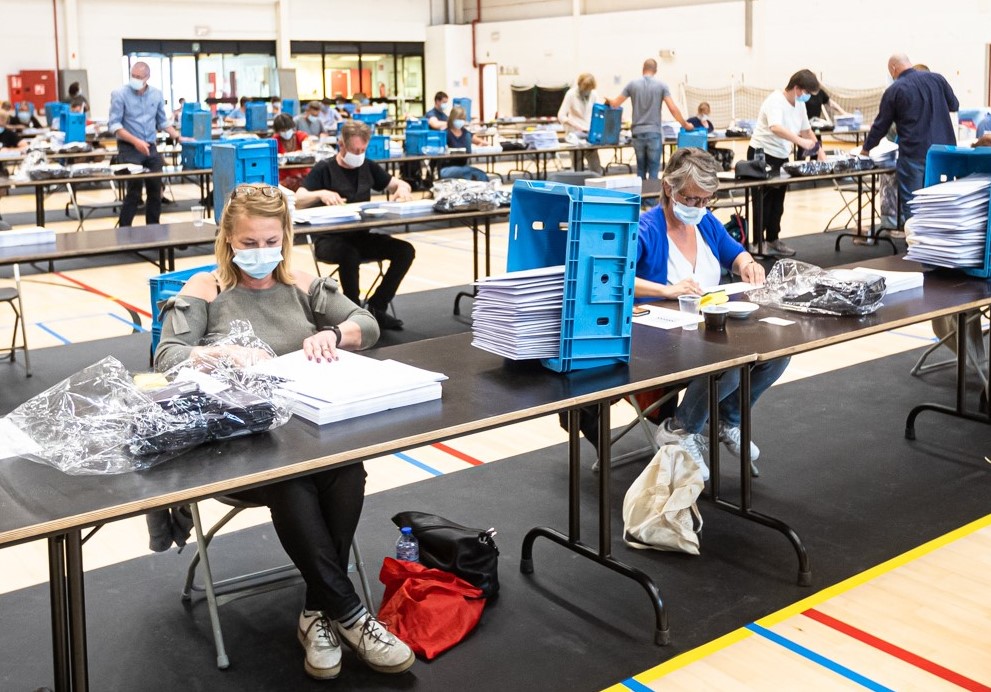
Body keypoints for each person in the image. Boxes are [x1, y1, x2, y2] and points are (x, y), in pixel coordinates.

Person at [154, 183, 415, 680]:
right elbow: (166, 359)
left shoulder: (301, 285)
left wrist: (333, 334)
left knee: (347, 471)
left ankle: (319, 613)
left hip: (309, 431)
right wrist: (223, 353)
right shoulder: (205, 290)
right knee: (294, 481)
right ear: (227, 239)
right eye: (248, 243)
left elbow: (368, 325)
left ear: (285, 237)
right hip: (241, 444)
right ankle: (353, 616)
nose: (259, 253)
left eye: (269, 242)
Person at [635, 148, 786, 479]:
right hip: (658, 337)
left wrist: (748, 264)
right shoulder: (646, 228)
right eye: (690, 199)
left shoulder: (706, 223)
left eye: (705, 201)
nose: (697, 208)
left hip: (704, 329)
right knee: (728, 365)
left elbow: (736, 254)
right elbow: (615, 279)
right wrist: (665, 290)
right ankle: (678, 430)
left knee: (779, 352)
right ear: (668, 188)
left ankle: (726, 418)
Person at [295, 120, 415, 330]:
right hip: (329, 239)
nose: (359, 154)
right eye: (354, 149)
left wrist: (403, 188)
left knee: (405, 250)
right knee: (349, 255)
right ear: (341, 144)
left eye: (363, 149)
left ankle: (377, 307)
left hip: (361, 236)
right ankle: (352, 312)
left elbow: (395, 183)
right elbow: (299, 198)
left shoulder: (367, 166)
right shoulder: (325, 168)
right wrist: (321, 193)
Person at [861, 53, 958, 227]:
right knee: (941, 203)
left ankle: (916, 247)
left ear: (893, 69)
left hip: (915, 154)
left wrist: (866, 150)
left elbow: (881, 125)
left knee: (913, 205)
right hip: (946, 154)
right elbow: (954, 105)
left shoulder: (895, 90)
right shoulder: (938, 79)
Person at [747, 68, 826, 257]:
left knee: (778, 201)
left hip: (781, 156)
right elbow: (776, 127)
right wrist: (799, 142)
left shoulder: (799, 105)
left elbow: (806, 131)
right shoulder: (775, 101)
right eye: (806, 93)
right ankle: (758, 243)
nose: (807, 97)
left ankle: (773, 239)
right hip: (762, 154)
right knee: (763, 201)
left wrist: (819, 150)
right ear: (797, 88)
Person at [108, 61, 185, 227]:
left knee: (156, 190)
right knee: (134, 192)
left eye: (138, 77)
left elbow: (162, 122)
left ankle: (153, 229)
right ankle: (124, 230)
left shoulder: (156, 95)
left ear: (147, 77)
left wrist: (178, 137)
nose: (135, 79)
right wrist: (135, 142)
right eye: (133, 76)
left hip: (150, 147)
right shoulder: (120, 94)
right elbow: (114, 125)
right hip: (129, 148)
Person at [607, 59, 694, 187]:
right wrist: (685, 124)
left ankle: (640, 200)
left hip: (637, 132)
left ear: (643, 68)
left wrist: (606, 99)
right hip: (654, 132)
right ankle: (652, 202)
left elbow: (615, 103)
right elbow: (673, 108)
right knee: (654, 171)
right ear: (656, 70)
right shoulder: (661, 86)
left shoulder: (632, 84)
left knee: (640, 169)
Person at [557, 72, 603, 175]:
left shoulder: (593, 94)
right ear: (580, 86)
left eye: (590, 89)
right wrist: (575, 125)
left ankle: (596, 187)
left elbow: (600, 111)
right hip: (575, 135)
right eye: (586, 89)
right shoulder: (571, 94)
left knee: (596, 168)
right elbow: (561, 115)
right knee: (577, 168)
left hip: (589, 135)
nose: (588, 91)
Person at [438, 105, 488, 181]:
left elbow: (483, 142)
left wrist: (479, 145)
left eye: (462, 119)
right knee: (476, 174)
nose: (460, 121)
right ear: (452, 118)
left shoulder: (466, 134)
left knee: (482, 176)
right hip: (446, 169)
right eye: (458, 118)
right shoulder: (445, 134)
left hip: (463, 167)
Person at [687, 101, 734, 171]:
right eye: (703, 112)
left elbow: (713, 136)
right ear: (699, 111)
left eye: (706, 112)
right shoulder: (691, 121)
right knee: (718, 155)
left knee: (729, 152)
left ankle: (725, 170)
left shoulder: (709, 123)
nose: (704, 114)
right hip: (697, 148)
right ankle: (715, 172)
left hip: (710, 146)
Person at [272, 112, 310, 191]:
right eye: (282, 130)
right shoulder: (275, 140)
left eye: (288, 129)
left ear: (292, 127)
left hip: (303, 174)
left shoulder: (301, 136)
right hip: (284, 177)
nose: (286, 132)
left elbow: (308, 149)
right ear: (278, 131)